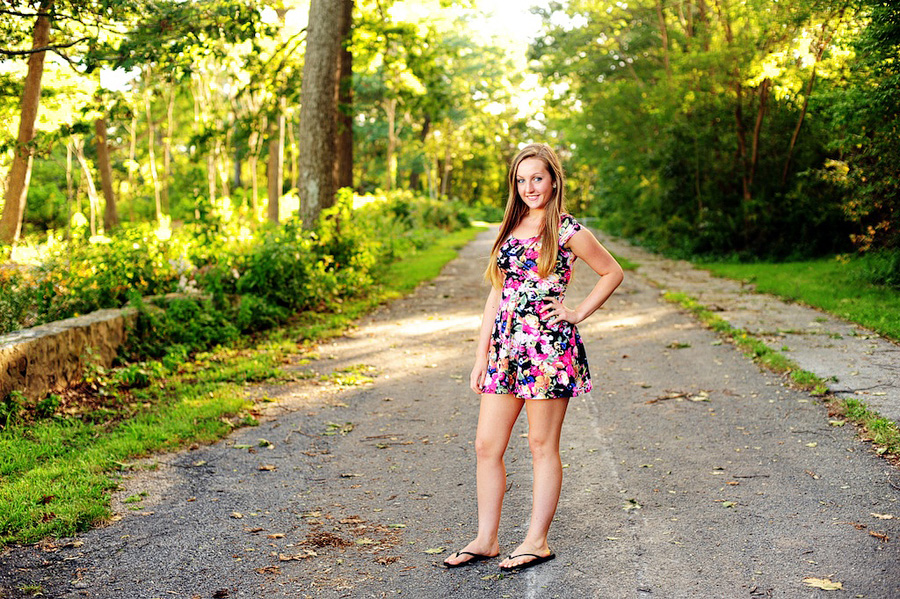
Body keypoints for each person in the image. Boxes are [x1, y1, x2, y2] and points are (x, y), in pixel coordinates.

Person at [443, 143, 624, 572]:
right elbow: (496, 294)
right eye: (521, 180)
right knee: (487, 445)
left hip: (547, 350)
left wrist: (577, 312)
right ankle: (487, 539)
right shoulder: (512, 225)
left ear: (554, 179)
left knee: (542, 446)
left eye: (537, 178)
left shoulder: (565, 229)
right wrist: (480, 355)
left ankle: (536, 541)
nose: (529, 187)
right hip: (506, 352)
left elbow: (612, 271)